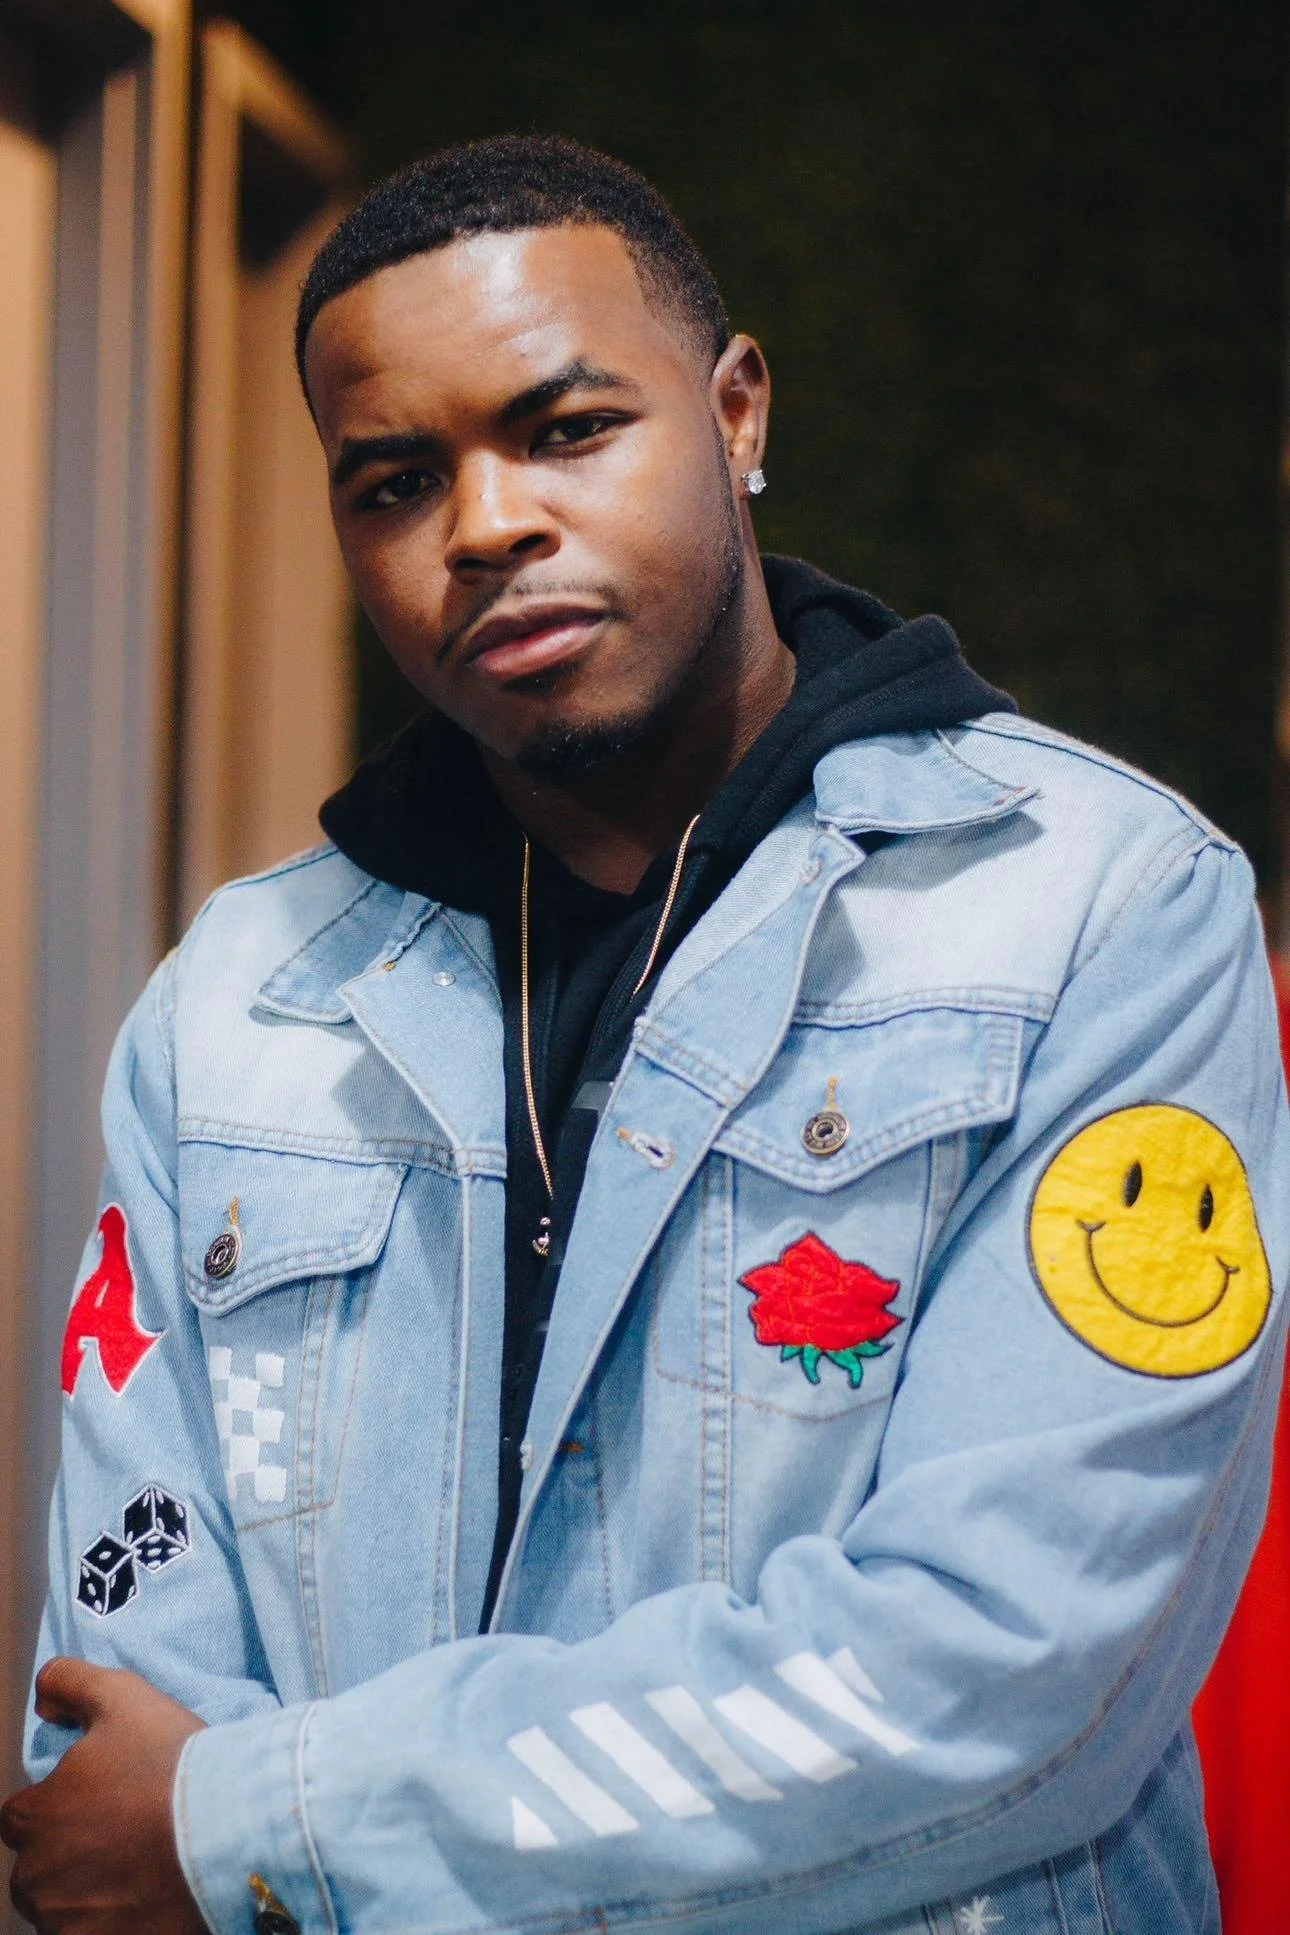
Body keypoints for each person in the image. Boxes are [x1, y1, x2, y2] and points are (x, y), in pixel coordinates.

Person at [3, 135, 1286, 1935]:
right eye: (390, 481)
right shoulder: (237, 1004)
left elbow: (1000, 1673)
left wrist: (262, 1825)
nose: (484, 524)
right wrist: (192, 1819)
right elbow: (122, 1712)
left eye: (565, 428)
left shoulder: (1094, 908)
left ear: (736, 410)